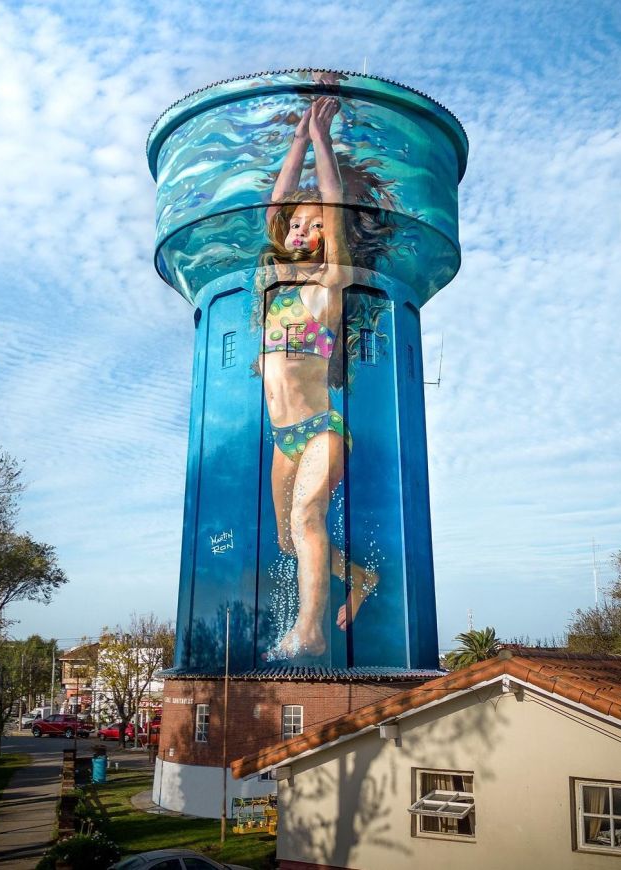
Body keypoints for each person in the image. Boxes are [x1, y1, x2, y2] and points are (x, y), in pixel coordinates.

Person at [256, 96, 379, 660]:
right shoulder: (275, 287)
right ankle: (359, 578)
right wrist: (298, 138)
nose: (303, 229)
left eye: (314, 225)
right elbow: (278, 205)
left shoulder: (325, 288)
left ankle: (310, 629)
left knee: (307, 519)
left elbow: (329, 203)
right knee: (286, 539)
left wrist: (323, 141)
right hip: (283, 438)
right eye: (295, 226)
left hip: (320, 428)